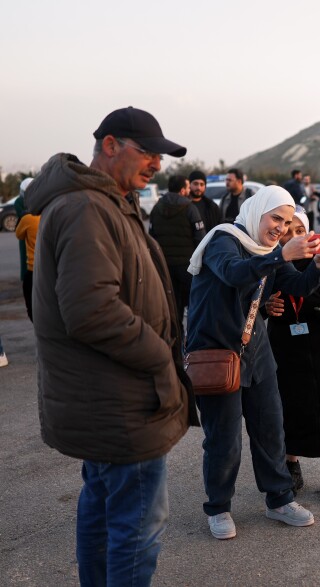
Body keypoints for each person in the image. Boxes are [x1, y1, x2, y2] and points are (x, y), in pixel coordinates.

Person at [26, 106, 197, 586]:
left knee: (103, 514)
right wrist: (160, 354)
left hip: (111, 400)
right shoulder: (86, 208)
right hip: (121, 403)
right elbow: (91, 310)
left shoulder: (107, 203)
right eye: (147, 153)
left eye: (159, 157)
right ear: (109, 145)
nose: (156, 165)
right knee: (136, 528)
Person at [186, 185, 320, 540]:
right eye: (276, 219)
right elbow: (234, 272)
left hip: (255, 350)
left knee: (271, 429)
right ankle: (219, 507)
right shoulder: (224, 240)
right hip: (217, 352)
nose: (281, 228)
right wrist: (280, 255)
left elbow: (297, 287)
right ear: (257, 213)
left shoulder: (268, 250)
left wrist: (317, 267)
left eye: (286, 222)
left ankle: (279, 499)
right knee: (224, 438)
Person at [266, 206, 320, 504]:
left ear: (308, 233)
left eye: (299, 230)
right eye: (288, 231)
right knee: (290, 404)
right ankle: (291, 466)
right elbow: (254, 297)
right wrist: (267, 307)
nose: (293, 236)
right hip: (286, 345)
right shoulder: (271, 262)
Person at [149, 174, 206, 331]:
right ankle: (193, 342)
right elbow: (200, 239)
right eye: (188, 187)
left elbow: (151, 237)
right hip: (188, 267)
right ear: (182, 190)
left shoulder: (156, 208)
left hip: (164, 267)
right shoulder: (190, 208)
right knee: (194, 305)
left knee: (173, 308)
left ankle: (175, 339)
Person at [14, 178, 37, 321]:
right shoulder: (50, 211)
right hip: (50, 267)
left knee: (32, 305)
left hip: (33, 268)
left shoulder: (27, 217)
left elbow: (18, 233)